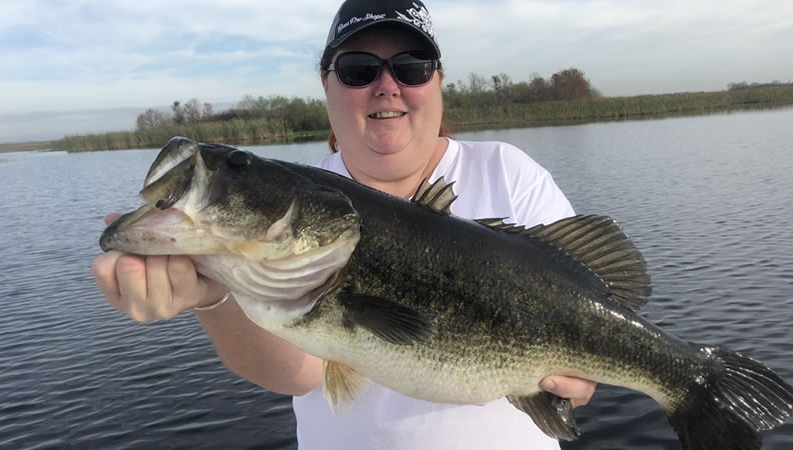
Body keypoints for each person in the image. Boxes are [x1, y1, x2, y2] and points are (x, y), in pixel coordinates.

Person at [92, 0, 596, 448]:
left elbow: (589, 312)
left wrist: (583, 371)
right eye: (357, 70)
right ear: (326, 83)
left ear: (438, 80)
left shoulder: (510, 172)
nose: (387, 86)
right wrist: (213, 295)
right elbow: (302, 374)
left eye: (412, 67)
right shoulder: (307, 200)